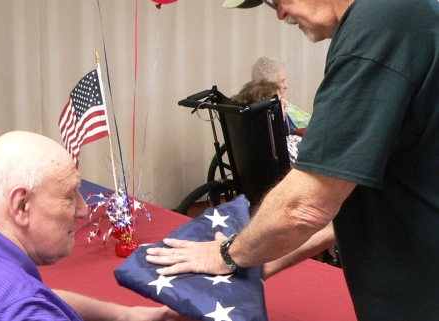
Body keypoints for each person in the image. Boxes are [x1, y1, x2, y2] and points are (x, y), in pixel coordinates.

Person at [146, 0, 439, 319]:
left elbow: (306, 206)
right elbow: (341, 202)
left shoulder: (380, 21)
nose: (280, 13)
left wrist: (227, 255)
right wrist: (248, 262)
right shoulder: (401, 15)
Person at [0, 131, 192, 321]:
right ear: (21, 206)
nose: (83, 210)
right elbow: (24, 301)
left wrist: (124, 315)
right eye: (69, 196)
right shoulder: (23, 308)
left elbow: (39, 295)